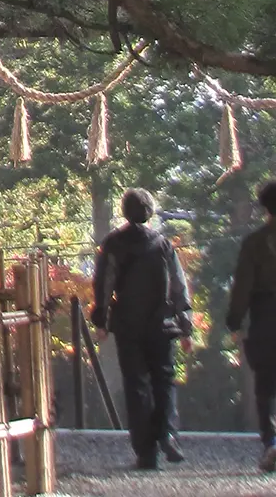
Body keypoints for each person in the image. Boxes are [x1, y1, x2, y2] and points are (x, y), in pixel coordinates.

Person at [93, 187, 193, 470]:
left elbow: (104, 284)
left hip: (128, 325)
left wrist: (101, 320)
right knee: (164, 380)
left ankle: (145, 452)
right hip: (161, 324)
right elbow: (178, 286)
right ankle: (168, 434)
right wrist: (185, 326)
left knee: (136, 385)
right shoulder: (162, 244)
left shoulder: (113, 244)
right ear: (150, 211)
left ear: (125, 211)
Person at [227, 178, 276, 470]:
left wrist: (234, 319)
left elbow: (242, 286)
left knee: (265, 385)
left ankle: (271, 443)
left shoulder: (255, 243)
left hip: (266, 316)